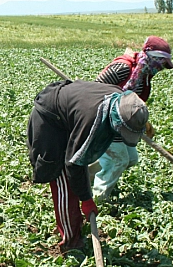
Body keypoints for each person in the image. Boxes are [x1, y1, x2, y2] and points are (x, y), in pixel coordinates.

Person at [27, 80, 149, 250]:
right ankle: (70, 241)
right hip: (49, 118)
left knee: (77, 171)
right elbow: (73, 164)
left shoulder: (121, 100)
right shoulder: (91, 118)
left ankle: (74, 226)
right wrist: (86, 199)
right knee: (62, 179)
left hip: (69, 114)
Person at [91, 36, 173, 201]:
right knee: (119, 160)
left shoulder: (144, 75)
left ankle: (86, 178)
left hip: (121, 124)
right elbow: (94, 92)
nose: (162, 69)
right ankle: (98, 200)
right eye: (162, 64)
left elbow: (133, 103)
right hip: (103, 119)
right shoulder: (122, 68)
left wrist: (143, 123)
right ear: (153, 58)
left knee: (131, 159)